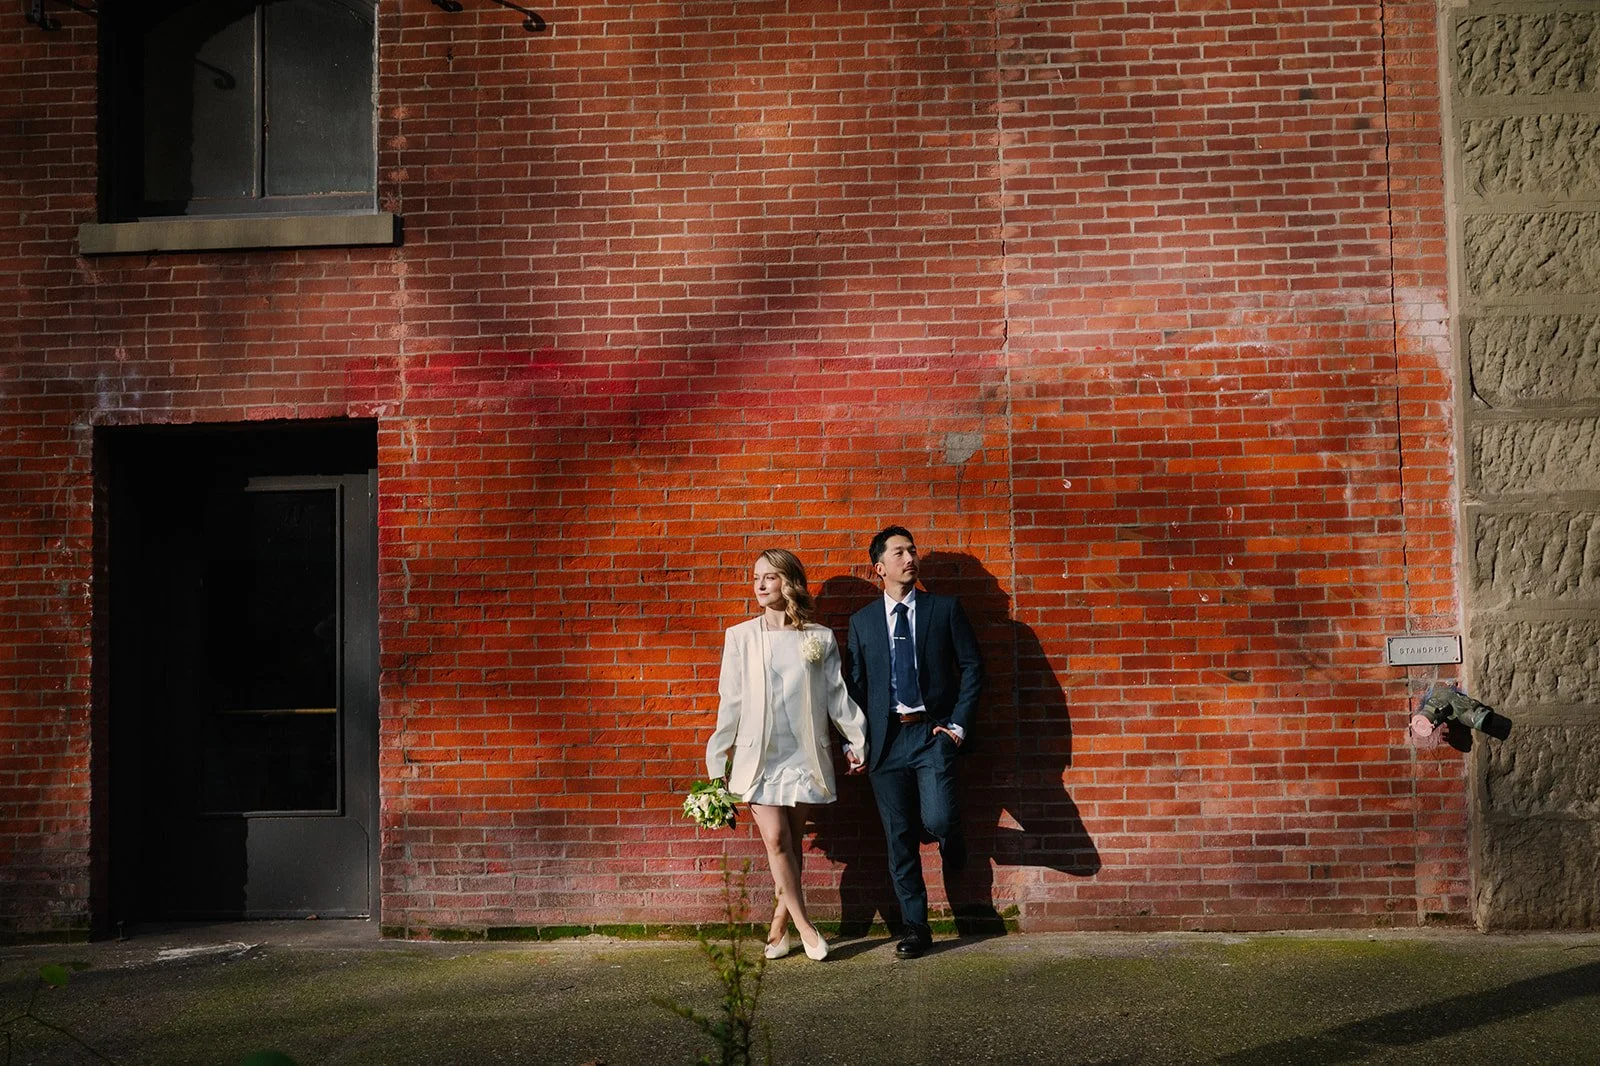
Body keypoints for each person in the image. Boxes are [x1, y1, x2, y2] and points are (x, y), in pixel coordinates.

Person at [706, 549, 868, 961]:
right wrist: (717, 758)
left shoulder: (819, 638)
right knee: (776, 840)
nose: (760, 585)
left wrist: (857, 740)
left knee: (792, 845)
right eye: (756, 576)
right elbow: (731, 702)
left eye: (770, 577)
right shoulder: (740, 637)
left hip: (802, 755)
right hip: (758, 758)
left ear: (790, 583)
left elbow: (837, 697)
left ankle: (777, 930)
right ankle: (804, 926)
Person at [846, 526, 983, 958]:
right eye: (899, 552)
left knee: (940, 818)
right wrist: (854, 742)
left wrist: (956, 728)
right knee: (899, 838)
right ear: (879, 567)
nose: (910, 557)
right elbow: (853, 688)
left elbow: (972, 668)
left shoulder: (944, 610)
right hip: (885, 743)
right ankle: (916, 929)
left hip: (931, 735)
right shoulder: (862, 622)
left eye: (912, 550)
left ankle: (950, 836)